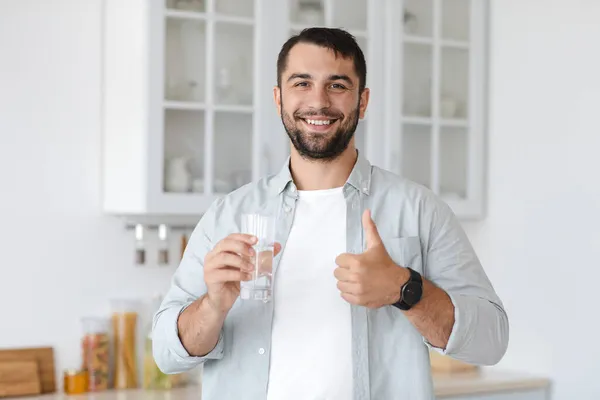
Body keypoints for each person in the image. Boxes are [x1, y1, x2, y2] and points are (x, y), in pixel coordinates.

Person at [152, 27, 509, 400]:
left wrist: (405, 289)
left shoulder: (419, 210)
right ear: (278, 99)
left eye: (337, 85)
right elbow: (165, 353)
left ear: (363, 101)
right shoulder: (230, 214)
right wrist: (212, 306)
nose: (318, 102)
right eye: (301, 83)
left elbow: (491, 342)